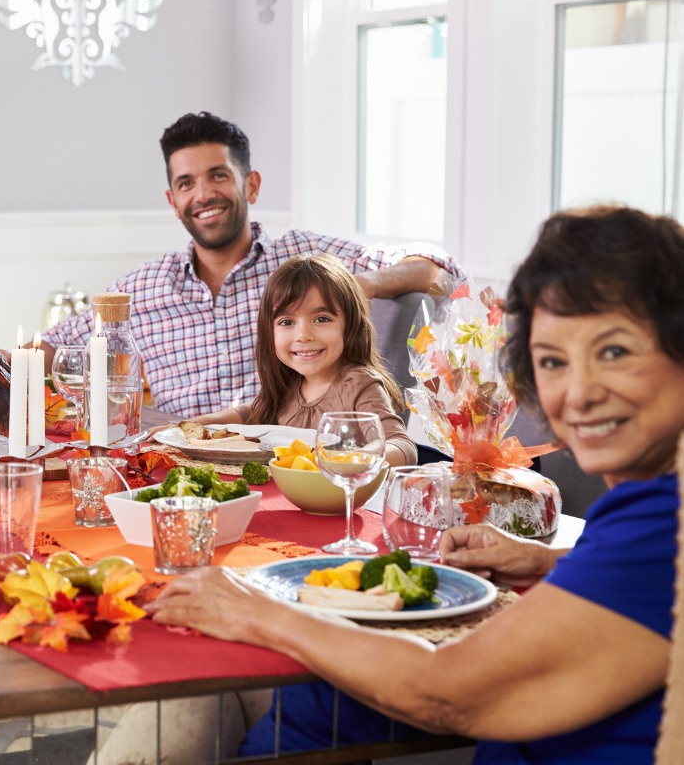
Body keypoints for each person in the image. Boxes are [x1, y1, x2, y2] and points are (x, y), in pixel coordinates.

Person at [148, 204, 684, 763]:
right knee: (298, 700)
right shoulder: (645, 508)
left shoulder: (665, 519)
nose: (579, 393)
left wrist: (256, 611)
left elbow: (445, 692)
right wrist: (546, 562)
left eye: (616, 352)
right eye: (553, 362)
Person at [42, 112, 463, 418]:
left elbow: (438, 270)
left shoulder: (304, 258)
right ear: (173, 202)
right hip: (184, 468)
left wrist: (362, 285)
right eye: (186, 183)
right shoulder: (143, 287)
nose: (203, 194)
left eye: (218, 175)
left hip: (290, 464)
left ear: (251, 184)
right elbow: (52, 345)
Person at [181, 255, 415, 466]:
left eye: (321, 318)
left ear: (350, 325)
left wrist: (348, 460)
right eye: (286, 322)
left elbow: (401, 445)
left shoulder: (357, 384)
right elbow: (247, 414)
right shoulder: (289, 383)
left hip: (342, 502)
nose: (303, 335)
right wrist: (187, 428)